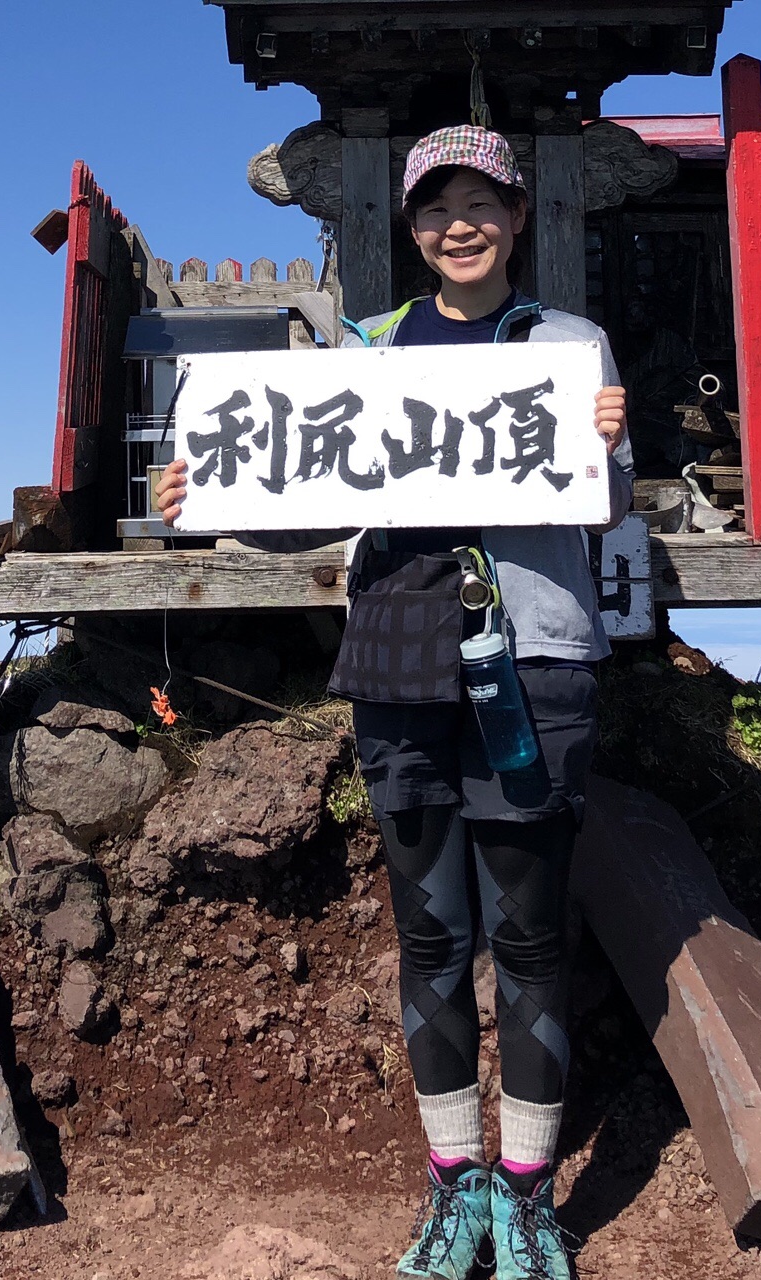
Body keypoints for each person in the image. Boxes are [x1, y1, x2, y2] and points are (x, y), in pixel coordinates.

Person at [154, 124, 631, 1280]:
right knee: (428, 935)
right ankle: (453, 1186)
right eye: (435, 207)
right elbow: (311, 502)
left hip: (533, 658)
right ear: (410, 227)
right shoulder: (365, 349)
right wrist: (210, 492)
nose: (458, 225)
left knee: (527, 938)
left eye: (480, 203)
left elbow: (604, 505)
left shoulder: (566, 346)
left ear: (516, 218)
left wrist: (609, 446)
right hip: (397, 658)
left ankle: (526, 1196)